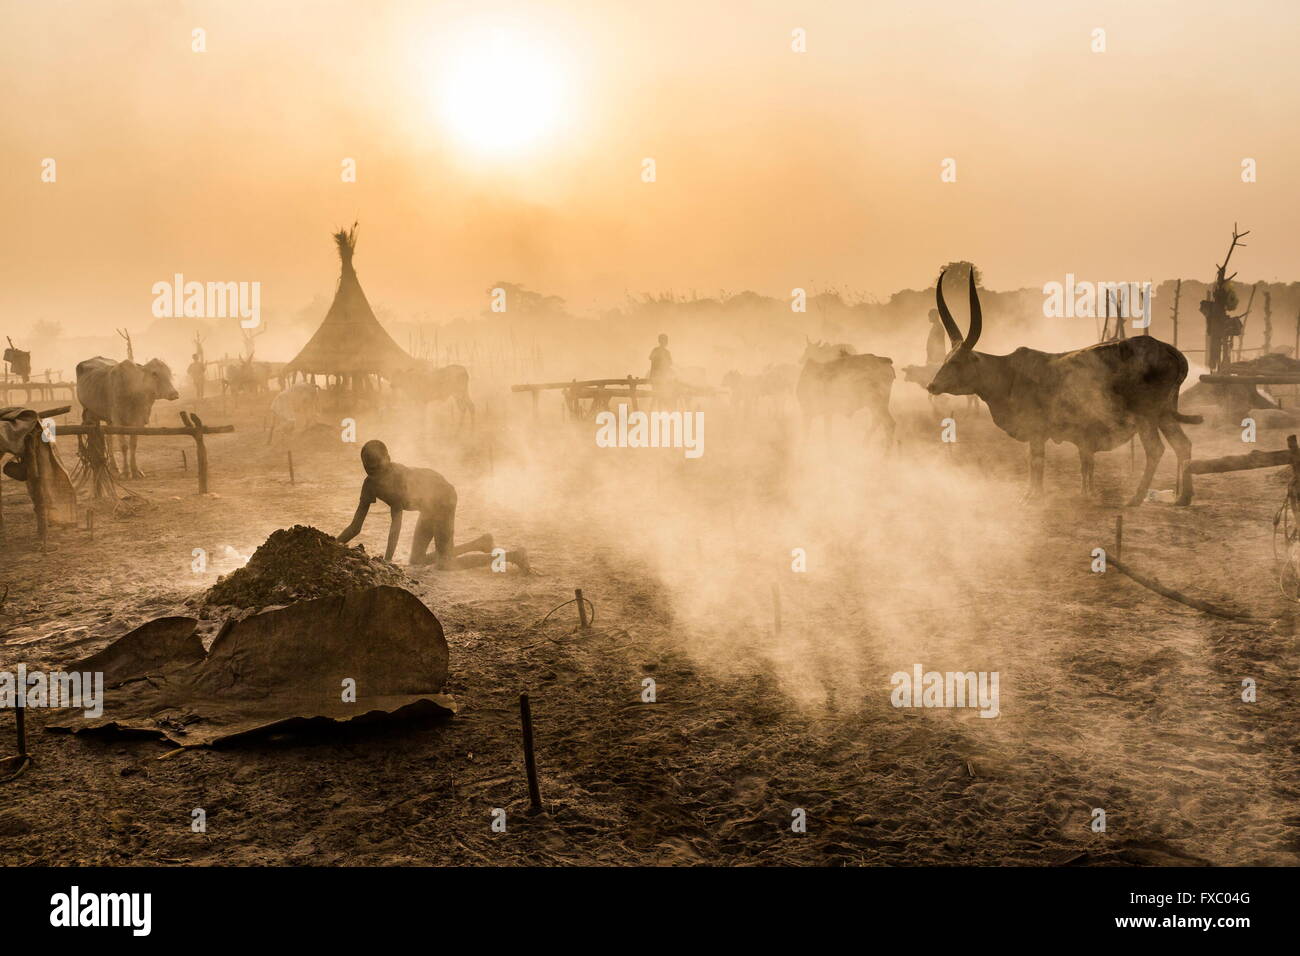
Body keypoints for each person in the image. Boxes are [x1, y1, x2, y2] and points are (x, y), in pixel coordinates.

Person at [337, 439, 529, 571]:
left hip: (442, 498)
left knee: (446, 565)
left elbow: (396, 524)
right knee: (417, 560)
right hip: (427, 505)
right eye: (368, 469)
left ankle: (513, 556)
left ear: (388, 459)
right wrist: (333, 545)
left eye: (377, 467)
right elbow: (355, 527)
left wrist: (387, 561)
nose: (373, 473)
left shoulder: (396, 477)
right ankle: (480, 543)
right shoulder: (369, 483)